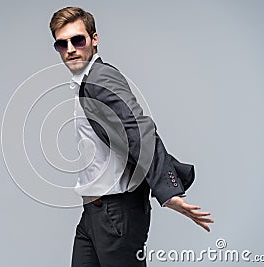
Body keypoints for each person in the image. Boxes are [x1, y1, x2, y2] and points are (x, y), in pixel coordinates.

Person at [49, 7, 213, 267]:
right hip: (94, 213)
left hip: (116, 214)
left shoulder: (101, 78)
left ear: (94, 39)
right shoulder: (87, 82)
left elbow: (138, 128)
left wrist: (168, 190)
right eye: (62, 43)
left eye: (78, 40)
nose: (70, 48)